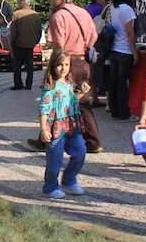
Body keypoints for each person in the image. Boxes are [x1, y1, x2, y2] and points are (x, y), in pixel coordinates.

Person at [43, 0, 102, 153]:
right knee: (83, 103)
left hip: (66, 63)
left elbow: (59, 46)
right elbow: (94, 36)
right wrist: (85, 48)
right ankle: (94, 141)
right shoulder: (83, 12)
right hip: (83, 62)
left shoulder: (59, 16)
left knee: (54, 101)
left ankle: (48, 139)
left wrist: (54, 67)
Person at [39, 49, 89, 198]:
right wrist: (43, 130)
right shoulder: (50, 87)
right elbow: (43, 109)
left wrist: (81, 93)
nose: (63, 68)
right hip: (55, 128)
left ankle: (69, 180)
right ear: (53, 66)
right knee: (55, 160)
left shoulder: (68, 83)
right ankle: (50, 187)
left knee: (80, 151)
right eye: (60, 65)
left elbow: (71, 101)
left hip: (71, 126)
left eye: (66, 65)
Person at [107, 0, 139, 122]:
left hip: (114, 48)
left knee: (114, 83)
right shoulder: (127, 9)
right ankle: (125, 114)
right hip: (125, 50)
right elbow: (130, 32)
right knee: (123, 84)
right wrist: (134, 51)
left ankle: (115, 111)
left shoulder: (114, 6)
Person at [9, 0, 42, 90]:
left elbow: (13, 31)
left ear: (21, 3)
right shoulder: (35, 14)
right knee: (29, 64)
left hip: (18, 43)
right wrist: (36, 40)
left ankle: (18, 83)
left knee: (17, 64)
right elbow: (39, 30)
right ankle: (29, 84)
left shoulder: (16, 14)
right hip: (31, 43)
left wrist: (12, 42)